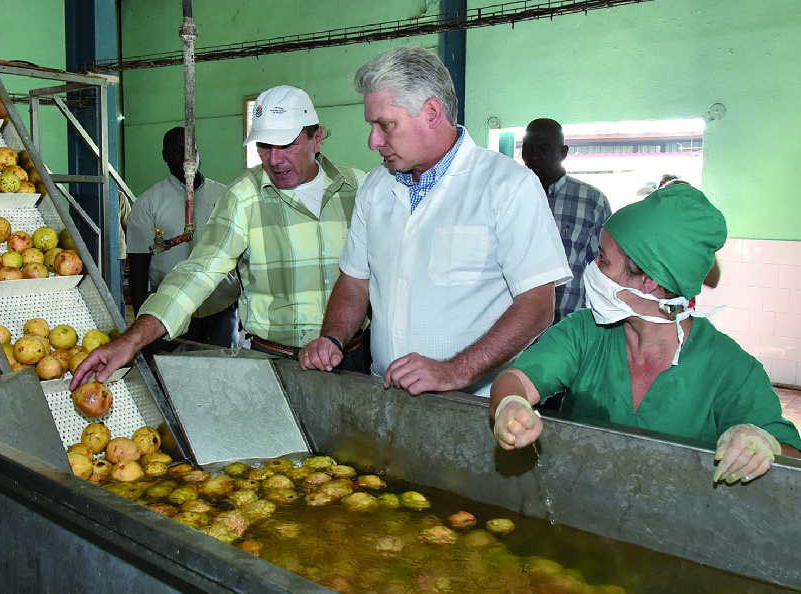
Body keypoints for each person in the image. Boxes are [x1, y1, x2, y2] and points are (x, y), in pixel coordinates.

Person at [299, 47, 572, 396]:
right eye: (371, 126)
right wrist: (332, 338)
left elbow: (537, 305)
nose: (373, 141)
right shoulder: (376, 187)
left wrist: (454, 372)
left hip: (475, 403)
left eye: (385, 125)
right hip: (388, 394)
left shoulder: (507, 185)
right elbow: (355, 281)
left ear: (431, 112)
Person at [489, 184, 801, 484]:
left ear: (648, 281)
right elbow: (516, 380)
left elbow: (792, 459)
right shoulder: (586, 332)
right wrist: (510, 405)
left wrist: (762, 444)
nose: (593, 267)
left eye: (603, 259)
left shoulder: (730, 368)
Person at [71, 85, 367, 390]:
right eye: (264, 146)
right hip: (275, 363)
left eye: (286, 145)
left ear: (316, 138)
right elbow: (198, 272)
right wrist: (131, 340)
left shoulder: (360, 189)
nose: (274, 160)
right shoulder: (244, 197)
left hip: (351, 358)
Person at [126, 127, 239, 348]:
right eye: (179, 151)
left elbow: (243, 256)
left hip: (221, 306)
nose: (188, 158)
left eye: (192, 151)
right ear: (165, 156)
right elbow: (139, 265)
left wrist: (247, 305)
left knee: (225, 373)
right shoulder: (148, 203)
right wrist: (141, 323)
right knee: (176, 372)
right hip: (170, 310)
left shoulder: (226, 196)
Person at [522, 118, 612, 323]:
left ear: (563, 153)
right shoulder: (509, 195)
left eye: (543, 148)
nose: (533, 156)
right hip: (514, 325)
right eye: (528, 148)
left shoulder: (591, 201)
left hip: (567, 325)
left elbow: (602, 270)